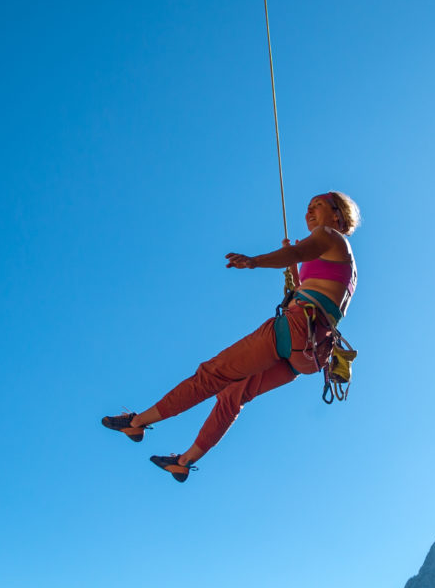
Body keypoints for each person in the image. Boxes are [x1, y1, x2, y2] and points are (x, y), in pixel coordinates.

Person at [102, 191, 361, 482]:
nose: (310, 211)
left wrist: (255, 261)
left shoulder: (329, 236)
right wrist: (291, 269)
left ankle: (136, 423)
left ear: (337, 215)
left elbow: (297, 254)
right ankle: (184, 462)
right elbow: (312, 282)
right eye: (308, 207)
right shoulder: (344, 260)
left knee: (212, 374)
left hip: (297, 329)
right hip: (312, 354)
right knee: (231, 396)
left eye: (319, 206)